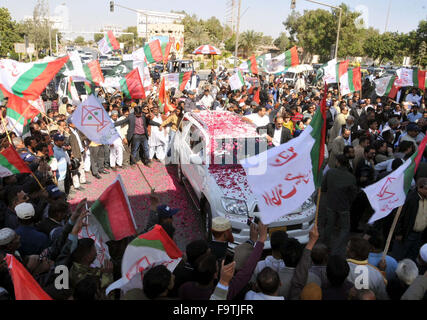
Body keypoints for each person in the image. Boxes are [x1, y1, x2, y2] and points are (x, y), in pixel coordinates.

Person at [322, 154, 358, 256]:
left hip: (331, 204)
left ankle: (326, 245)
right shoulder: (351, 177)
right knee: (345, 228)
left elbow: (324, 188)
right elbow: (353, 194)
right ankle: (338, 248)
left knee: (329, 225)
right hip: (344, 206)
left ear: (338, 162)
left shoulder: (330, 172)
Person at [394, 177, 427, 261]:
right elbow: (401, 216)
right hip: (408, 233)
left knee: (412, 255)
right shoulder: (411, 199)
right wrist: (399, 233)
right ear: (420, 188)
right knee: (401, 254)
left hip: (420, 235)